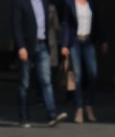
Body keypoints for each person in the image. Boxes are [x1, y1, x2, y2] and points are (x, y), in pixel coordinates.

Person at [13, 0, 67, 128]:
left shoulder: (44, 3)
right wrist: (20, 46)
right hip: (27, 46)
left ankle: (51, 114)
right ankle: (24, 116)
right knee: (24, 82)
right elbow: (16, 25)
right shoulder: (20, 3)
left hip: (42, 45)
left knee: (46, 80)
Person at [60, 0, 106, 124]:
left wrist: (103, 40)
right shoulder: (69, 4)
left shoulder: (90, 3)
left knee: (92, 73)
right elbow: (66, 24)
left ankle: (89, 105)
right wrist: (64, 45)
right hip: (75, 42)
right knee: (78, 76)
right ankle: (79, 108)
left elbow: (97, 22)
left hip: (88, 41)